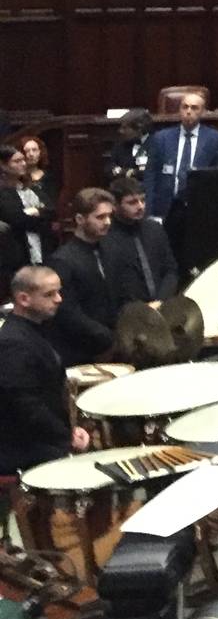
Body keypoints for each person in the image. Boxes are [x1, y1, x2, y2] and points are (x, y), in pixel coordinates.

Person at [0, 265, 89, 475]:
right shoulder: (13, 343)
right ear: (24, 299)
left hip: (44, 437)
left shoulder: (37, 328)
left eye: (58, 292)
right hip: (25, 449)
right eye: (49, 294)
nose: (58, 299)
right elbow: (26, 406)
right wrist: (65, 436)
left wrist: (69, 430)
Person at [47, 189, 119, 356]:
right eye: (100, 217)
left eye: (109, 216)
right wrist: (106, 335)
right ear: (80, 219)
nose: (108, 222)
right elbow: (67, 311)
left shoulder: (111, 250)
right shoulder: (62, 260)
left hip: (112, 342)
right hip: (80, 348)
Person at [143, 89, 218, 217]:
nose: (188, 111)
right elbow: (151, 175)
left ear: (203, 112)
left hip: (200, 208)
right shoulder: (161, 138)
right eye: (185, 107)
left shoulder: (215, 139)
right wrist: (149, 211)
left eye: (194, 108)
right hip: (165, 208)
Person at [102, 175, 178, 304]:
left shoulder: (154, 229)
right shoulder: (105, 237)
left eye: (143, 200)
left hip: (162, 304)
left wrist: (160, 300)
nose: (140, 206)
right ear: (114, 205)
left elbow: (170, 270)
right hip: (128, 309)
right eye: (132, 202)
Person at [0, 143, 53, 276]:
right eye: (17, 161)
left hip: (41, 246)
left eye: (23, 160)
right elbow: (17, 220)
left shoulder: (30, 187)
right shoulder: (3, 191)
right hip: (15, 253)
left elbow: (51, 210)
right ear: (3, 165)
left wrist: (36, 212)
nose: (23, 164)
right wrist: (39, 214)